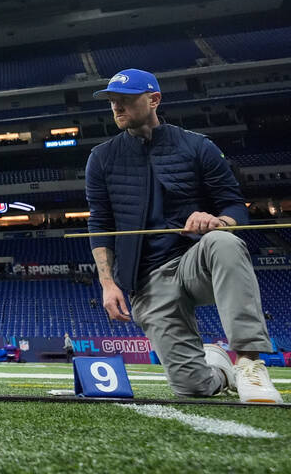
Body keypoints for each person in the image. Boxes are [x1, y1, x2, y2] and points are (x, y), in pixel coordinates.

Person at [85, 68, 281, 403]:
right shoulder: (101, 158)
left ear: (154, 100)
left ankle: (249, 364)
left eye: (127, 100)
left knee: (225, 241)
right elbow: (100, 223)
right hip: (147, 278)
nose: (117, 108)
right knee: (192, 389)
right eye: (113, 101)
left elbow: (234, 205)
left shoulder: (197, 146)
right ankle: (220, 369)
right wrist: (108, 283)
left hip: (197, 261)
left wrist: (219, 221)